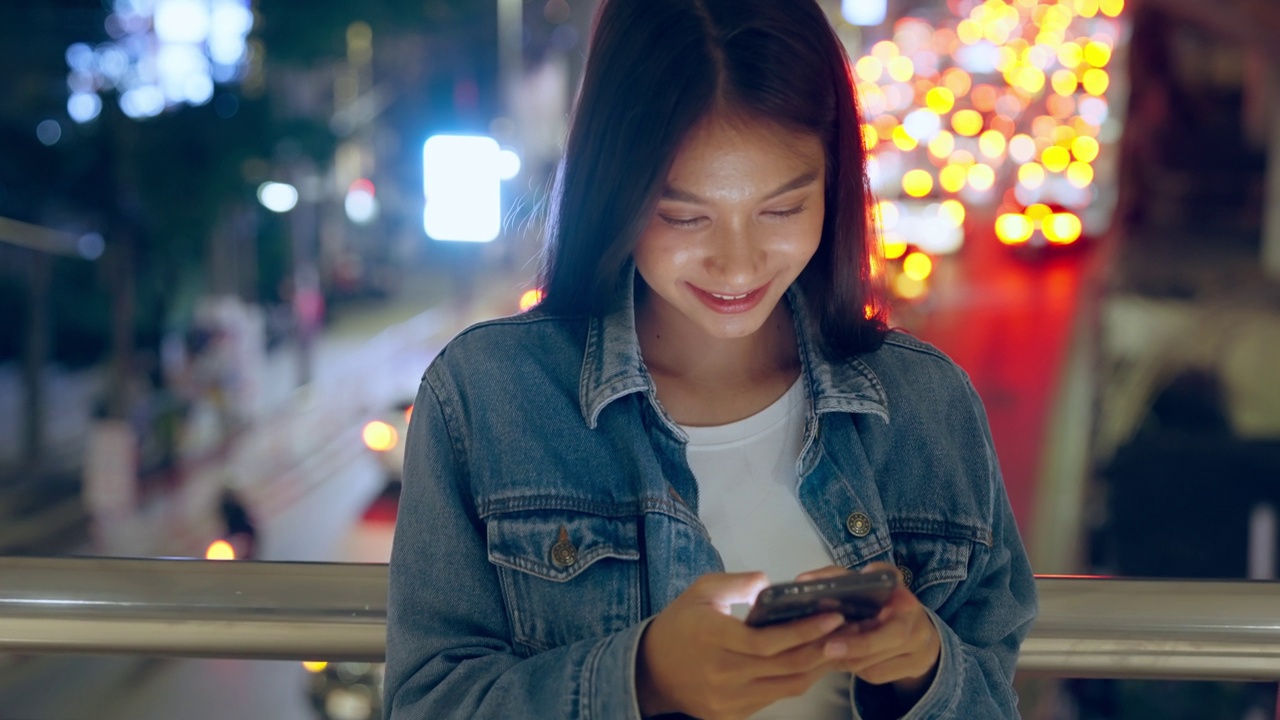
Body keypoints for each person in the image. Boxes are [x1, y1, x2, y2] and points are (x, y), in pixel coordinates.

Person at [384, 0, 1038, 718]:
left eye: (782, 210)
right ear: (616, 192)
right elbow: (429, 702)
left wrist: (925, 669)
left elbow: (991, 694)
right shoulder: (488, 398)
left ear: (834, 184)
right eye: (684, 215)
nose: (737, 265)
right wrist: (642, 678)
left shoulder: (924, 405)